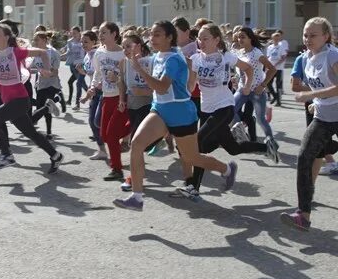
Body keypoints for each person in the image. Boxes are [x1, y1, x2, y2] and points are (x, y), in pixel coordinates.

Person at [113, 20, 238, 212]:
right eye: (151, 34)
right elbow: (140, 66)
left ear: (169, 37)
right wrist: (131, 59)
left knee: (193, 158)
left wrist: (138, 69)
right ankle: (137, 198)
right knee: (136, 144)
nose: (151, 38)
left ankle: (227, 169)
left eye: (157, 35)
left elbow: (162, 87)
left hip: (181, 114)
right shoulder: (157, 56)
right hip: (160, 110)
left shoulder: (173, 59)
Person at [178, 24, 278, 199]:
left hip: (224, 107)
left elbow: (248, 69)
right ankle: (266, 148)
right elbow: (191, 86)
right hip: (206, 109)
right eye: (199, 39)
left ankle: (193, 187)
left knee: (198, 142)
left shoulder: (226, 56)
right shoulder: (195, 59)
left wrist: (247, 86)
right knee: (233, 148)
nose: (201, 42)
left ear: (217, 40)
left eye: (205, 38)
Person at [0, 23, 64, 172]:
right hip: (9, 101)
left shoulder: (15, 52)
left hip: (20, 99)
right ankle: (55, 155)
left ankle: (7, 155)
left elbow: (42, 52)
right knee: (30, 133)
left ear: (6, 37)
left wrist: (46, 69)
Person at [282, 17, 338, 230]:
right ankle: (302, 215)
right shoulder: (305, 59)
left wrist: (311, 95)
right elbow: (321, 86)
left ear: (326, 36)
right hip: (323, 117)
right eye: (305, 35)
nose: (308, 39)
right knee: (304, 158)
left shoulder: (332, 55)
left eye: (313, 35)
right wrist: (316, 101)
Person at [87, 22, 128, 181]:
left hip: (121, 97)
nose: (101, 35)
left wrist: (119, 83)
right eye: (100, 32)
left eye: (104, 32)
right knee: (105, 135)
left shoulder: (123, 54)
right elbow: (97, 73)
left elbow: (128, 77)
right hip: (106, 96)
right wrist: (92, 87)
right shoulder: (99, 53)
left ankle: (116, 169)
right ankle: (133, 132)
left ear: (114, 34)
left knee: (111, 135)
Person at [231, 27, 278, 149]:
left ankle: (271, 142)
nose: (240, 39)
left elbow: (272, 69)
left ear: (250, 38)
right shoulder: (239, 53)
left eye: (243, 37)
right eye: (239, 37)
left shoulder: (256, 53)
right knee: (230, 110)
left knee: (261, 119)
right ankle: (241, 132)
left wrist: (263, 85)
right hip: (242, 89)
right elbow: (240, 71)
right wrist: (235, 78)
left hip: (257, 91)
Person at [117, 30, 153, 190]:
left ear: (138, 46)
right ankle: (139, 172)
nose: (125, 49)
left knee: (135, 143)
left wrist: (144, 92)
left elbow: (159, 86)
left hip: (147, 105)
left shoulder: (150, 61)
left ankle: (133, 178)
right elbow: (122, 82)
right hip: (131, 105)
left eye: (128, 46)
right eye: (123, 46)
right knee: (138, 144)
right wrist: (122, 99)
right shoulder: (124, 62)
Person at [29, 31, 62, 139]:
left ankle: (49, 133)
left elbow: (56, 72)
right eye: (34, 40)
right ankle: (57, 99)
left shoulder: (53, 52)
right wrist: (39, 70)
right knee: (41, 107)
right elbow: (31, 68)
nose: (35, 42)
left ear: (44, 40)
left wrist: (49, 73)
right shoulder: (36, 53)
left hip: (52, 84)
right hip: (41, 84)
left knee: (47, 106)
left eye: (37, 39)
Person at [78, 30, 104, 159]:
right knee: (93, 122)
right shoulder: (87, 56)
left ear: (94, 42)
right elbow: (91, 74)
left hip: (103, 92)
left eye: (86, 41)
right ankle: (102, 150)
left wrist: (90, 92)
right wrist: (82, 71)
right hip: (94, 91)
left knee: (98, 121)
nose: (83, 44)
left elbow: (101, 74)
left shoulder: (97, 55)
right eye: (82, 41)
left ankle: (122, 141)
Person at [61, 26, 85, 109]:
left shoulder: (83, 41)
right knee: (75, 83)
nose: (73, 35)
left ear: (79, 33)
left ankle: (77, 103)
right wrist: (60, 56)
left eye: (75, 33)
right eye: (72, 33)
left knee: (80, 83)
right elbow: (69, 53)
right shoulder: (70, 42)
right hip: (73, 65)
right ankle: (70, 101)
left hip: (81, 65)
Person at [266, 30, 287, 106]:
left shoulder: (281, 47)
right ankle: (275, 96)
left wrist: (276, 64)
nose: (276, 40)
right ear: (272, 39)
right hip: (271, 69)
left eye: (277, 38)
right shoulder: (270, 47)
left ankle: (278, 101)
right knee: (268, 83)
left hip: (279, 69)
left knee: (278, 85)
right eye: (274, 38)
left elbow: (283, 57)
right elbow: (268, 57)